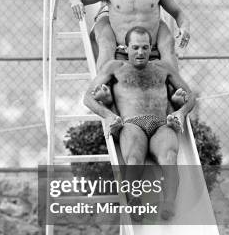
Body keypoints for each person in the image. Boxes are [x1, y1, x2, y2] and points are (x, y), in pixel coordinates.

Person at [83, 26, 196, 220]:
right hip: (132, 123)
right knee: (134, 158)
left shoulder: (163, 68)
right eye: (135, 47)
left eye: (145, 47)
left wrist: (181, 112)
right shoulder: (114, 68)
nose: (140, 52)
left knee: (169, 157)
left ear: (151, 47)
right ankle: (134, 200)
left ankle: (169, 203)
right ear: (125, 48)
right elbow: (88, 98)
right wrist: (108, 115)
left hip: (161, 124)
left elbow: (190, 96)